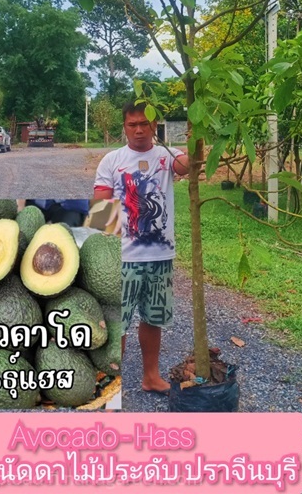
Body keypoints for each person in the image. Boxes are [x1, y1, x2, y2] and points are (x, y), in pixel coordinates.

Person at [93, 102, 189, 393]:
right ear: (124, 127)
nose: (138, 130)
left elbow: (188, 166)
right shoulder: (111, 161)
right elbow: (101, 213)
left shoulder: (165, 156)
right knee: (118, 323)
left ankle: (150, 376)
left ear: (153, 126)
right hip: (123, 258)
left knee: (152, 318)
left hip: (160, 255)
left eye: (143, 124)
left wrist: (196, 134)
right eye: (132, 124)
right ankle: (113, 383)